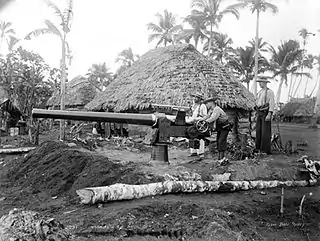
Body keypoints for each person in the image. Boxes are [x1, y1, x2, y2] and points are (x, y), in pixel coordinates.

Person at [201, 96, 231, 161]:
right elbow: (207, 116)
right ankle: (220, 158)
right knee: (218, 141)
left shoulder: (217, 109)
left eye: (207, 103)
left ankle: (222, 158)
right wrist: (200, 120)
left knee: (221, 141)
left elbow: (213, 118)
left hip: (225, 127)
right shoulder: (211, 110)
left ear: (211, 102)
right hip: (220, 128)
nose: (206, 105)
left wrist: (205, 122)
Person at [255, 78, 275, 154]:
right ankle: (258, 148)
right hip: (259, 112)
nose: (259, 84)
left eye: (261, 82)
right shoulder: (259, 92)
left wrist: (269, 114)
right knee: (258, 131)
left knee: (265, 132)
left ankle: (265, 150)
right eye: (259, 82)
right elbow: (257, 103)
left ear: (265, 83)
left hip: (265, 113)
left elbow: (272, 103)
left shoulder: (270, 92)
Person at [189, 92, 207, 159]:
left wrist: (198, 119)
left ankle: (201, 153)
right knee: (191, 136)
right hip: (193, 123)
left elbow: (205, 116)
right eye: (194, 97)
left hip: (199, 124)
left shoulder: (203, 106)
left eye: (196, 97)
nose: (195, 98)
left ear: (200, 99)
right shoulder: (193, 106)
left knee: (200, 138)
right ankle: (193, 152)